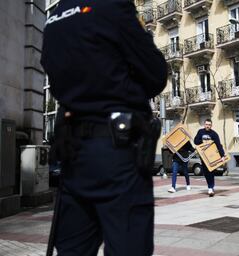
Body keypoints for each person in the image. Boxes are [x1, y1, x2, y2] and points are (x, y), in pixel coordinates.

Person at [41, 0, 167, 255]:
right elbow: (155, 73)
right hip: (117, 152)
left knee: (73, 248)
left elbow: (55, 79)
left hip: (73, 153)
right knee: (128, 246)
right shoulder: (112, 5)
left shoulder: (54, 18)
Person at [194, 119, 225, 197]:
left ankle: (210, 187)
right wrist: (203, 142)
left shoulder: (214, 134)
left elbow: (218, 145)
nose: (207, 126)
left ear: (211, 125)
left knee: (211, 171)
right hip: (203, 156)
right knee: (205, 172)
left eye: (209, 124)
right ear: (204, 125)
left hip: (211, 156)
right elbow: (195, 141)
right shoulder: (200, 132)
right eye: (206, 124)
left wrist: (222, 155)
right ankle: (210, 186)